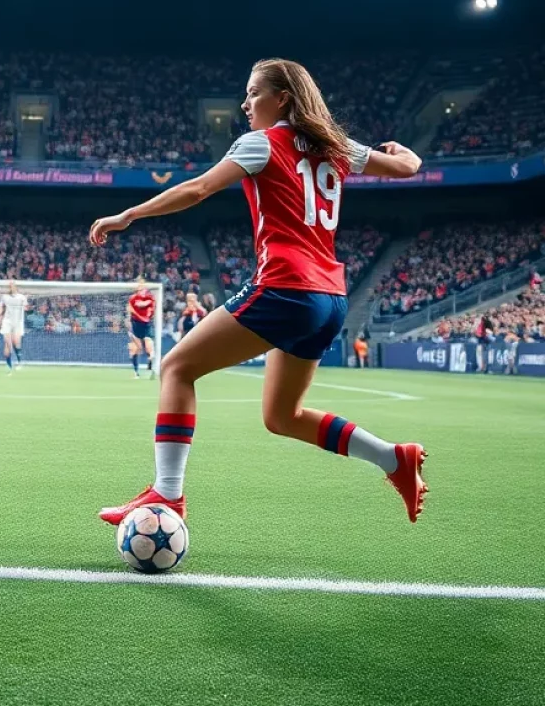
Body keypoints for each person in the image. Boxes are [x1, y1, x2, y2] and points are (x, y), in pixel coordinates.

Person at [90, 58, 429, 526]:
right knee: (282, 416)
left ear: (282, 98)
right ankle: (394, 459)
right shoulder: (336, 147)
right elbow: (406, 167)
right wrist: (407, 154)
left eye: (253, 93)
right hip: (330, 299)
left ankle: (167, 495)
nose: (245, 103)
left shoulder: (261, 143)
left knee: (176, 367)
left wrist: (128, 215)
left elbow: (198, 189)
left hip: (285, 288)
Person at [0, 279, 29, 374]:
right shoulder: (4, 297)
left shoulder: (22, 297)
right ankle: (9, 367)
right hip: (7, 322)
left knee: (16, 343)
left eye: (12, 285)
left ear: (16, 286)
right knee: (7, 344)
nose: (11, 286)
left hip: (18, 322)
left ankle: (19, 362)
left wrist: (26, 303)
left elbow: (27, 309)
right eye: (10, 285)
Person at [128, 277, 156, 378]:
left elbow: (146, 315)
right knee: (136, 348)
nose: (141, 288)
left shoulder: (148, 298)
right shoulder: (134, 298)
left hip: (141, 324)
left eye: (142, 286)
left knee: (144, 347)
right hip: (139, 324)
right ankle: (138, 371)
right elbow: (131, 310)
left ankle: (145, 368)